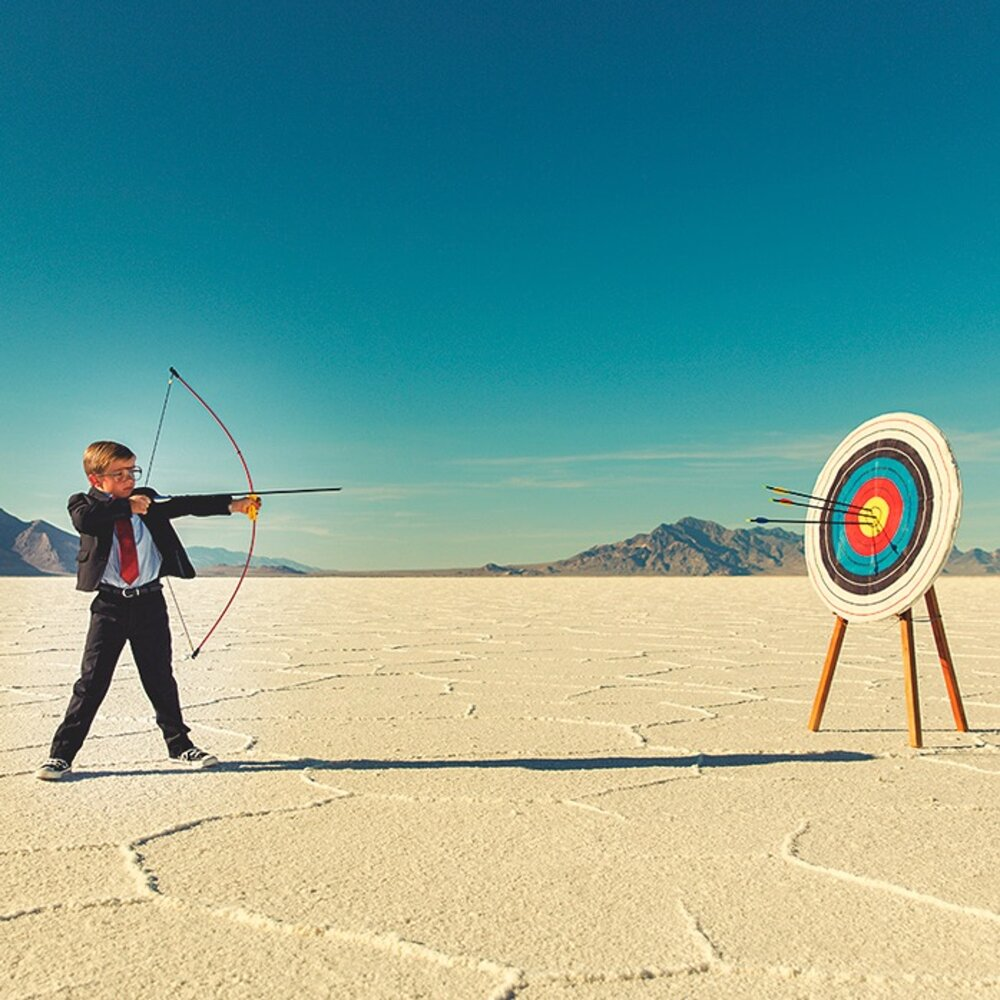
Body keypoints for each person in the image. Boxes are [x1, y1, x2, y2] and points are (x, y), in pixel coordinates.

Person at [35, 441, 260, 780]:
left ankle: (179, 745)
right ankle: (61, 755)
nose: (129, 478)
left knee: (159, 678)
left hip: (149, 603)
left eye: (132, 471)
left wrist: (235, 505)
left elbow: (186, 505)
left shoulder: (147, 500)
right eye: (120, 474)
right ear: (97, 480)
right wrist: (127, 508)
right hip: (109, 607)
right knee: (92, 683)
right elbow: (87, 520)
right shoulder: (83, 503)